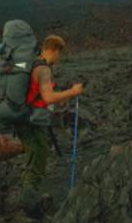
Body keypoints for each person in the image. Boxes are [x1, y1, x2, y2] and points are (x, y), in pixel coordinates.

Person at [17, 34, 84, 187]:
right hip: (32, 123)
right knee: (36, 166)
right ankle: (29, 197)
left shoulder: (32, 63)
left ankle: (28, 190)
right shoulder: (44, 69)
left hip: (25, 119)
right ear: (55, 50)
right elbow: (48, 97)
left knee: (33, 160)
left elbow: (40, 95)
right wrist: (73, 92)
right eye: (60, 53)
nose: (59, 57)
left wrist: (63, 98)